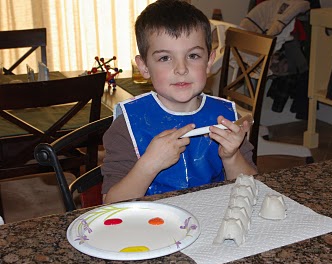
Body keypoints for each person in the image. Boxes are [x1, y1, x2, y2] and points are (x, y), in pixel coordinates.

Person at [101, 0, 257, 204]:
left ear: (209, 61)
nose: (181, 69)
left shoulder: (227, 117)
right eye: (165, 58)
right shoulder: (127, 126)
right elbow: (111, 204)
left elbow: (252, 189)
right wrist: (149, 164)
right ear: (144, 67)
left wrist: (231, 157)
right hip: (151, 227)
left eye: (193, 55)